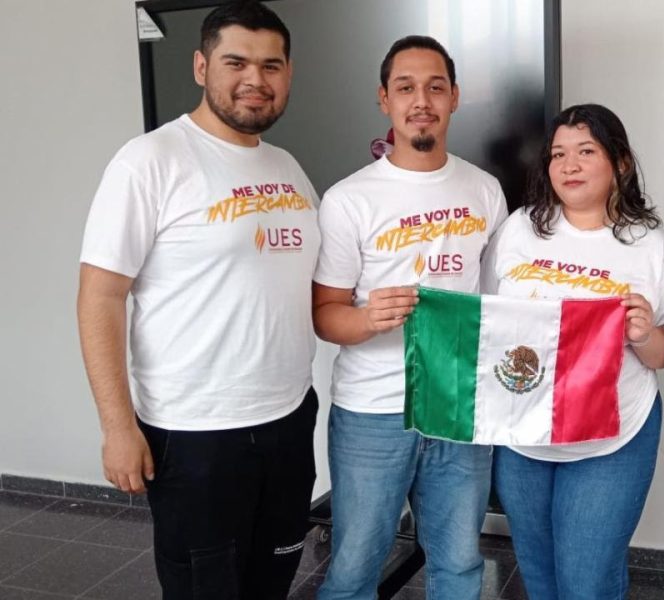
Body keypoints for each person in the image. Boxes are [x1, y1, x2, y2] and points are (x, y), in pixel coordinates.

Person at [77, 3, 319, 598]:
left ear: (289, 74)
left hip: (289, 419)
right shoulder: (149, 161)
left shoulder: (287, 167)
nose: (255, 79)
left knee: (272, 581)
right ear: (200, 66)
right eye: (236, 62)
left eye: (271, 65)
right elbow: (100, 297)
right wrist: (117, 426)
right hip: (195, 435)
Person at [312, 35, 508, 600]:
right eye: (405, 88)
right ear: (384, 99)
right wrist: (369, 319)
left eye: (434, 87)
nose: (421, 100)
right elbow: (325, 316)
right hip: (373, 411)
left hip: (457, 406)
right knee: (354, 569)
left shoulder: (485, 190)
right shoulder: (349, 199)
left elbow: (495, 306)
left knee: (460, 564)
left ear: (454, 98)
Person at [481, 103, 664, 600]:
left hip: (610, 438)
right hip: (523, 436)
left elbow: (663, 354)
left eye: (586, 151)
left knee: (588, 583)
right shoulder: (520, 228)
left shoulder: (651, 245)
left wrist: (643, 333)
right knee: (539, 576)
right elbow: (489, 320)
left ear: (620, 163)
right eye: (558, 154)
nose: (570, 165)